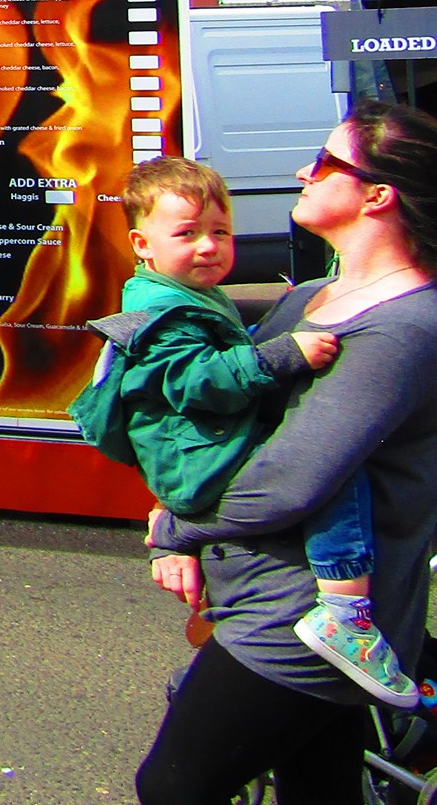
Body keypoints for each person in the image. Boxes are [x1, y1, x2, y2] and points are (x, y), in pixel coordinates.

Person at [135, 102, 437, 804]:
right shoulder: (309, 298)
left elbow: (289, 481)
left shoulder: (400, 329)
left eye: (327, 161)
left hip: (305, 626)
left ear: (376, 194)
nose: (304, 171)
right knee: (319, 791)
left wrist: (175, 527)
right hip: (260, 597)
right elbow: (225, 426)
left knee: (175, 788)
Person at [72, 157, 414, 707]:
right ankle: (345, 612)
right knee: (334, 477)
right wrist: (280, 353)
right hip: (203, 458)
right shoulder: (164, 312)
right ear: (142, 244)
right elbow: (195, 381)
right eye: (187, 234)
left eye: (221, 232)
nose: (209, 246)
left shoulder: (184, 295)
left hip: (195, 456)